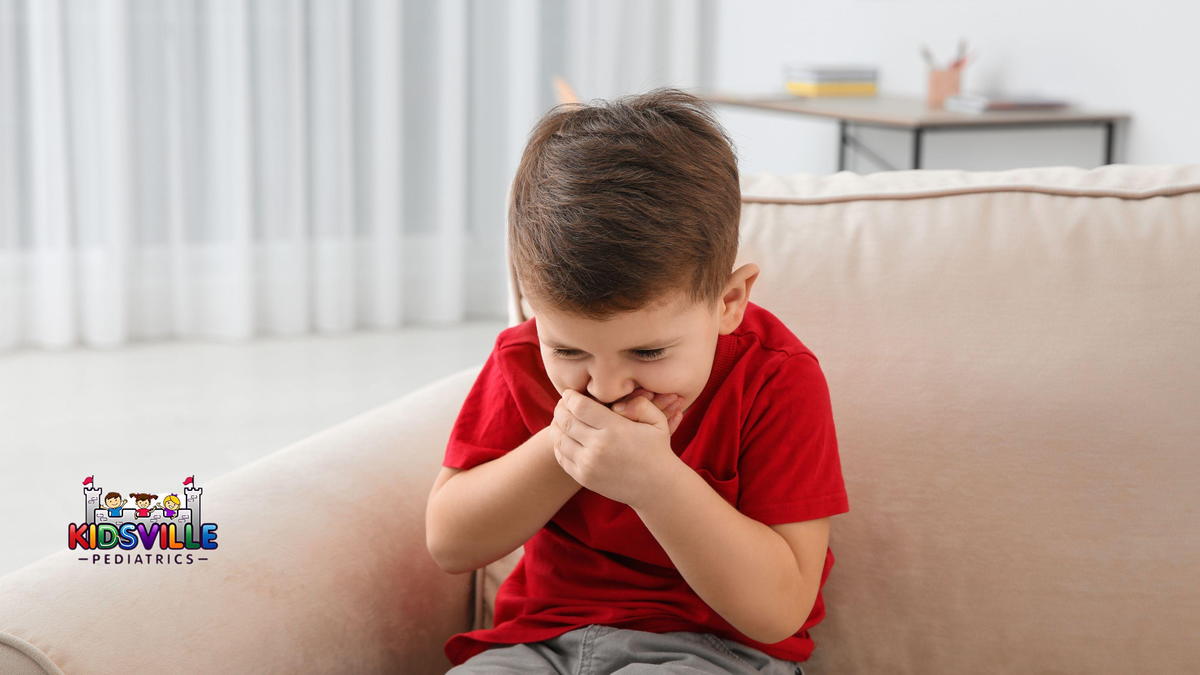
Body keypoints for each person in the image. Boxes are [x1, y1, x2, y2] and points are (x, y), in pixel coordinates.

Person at [425, 88, 849, 675]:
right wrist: (564, 446)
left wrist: (653, 481)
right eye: (569, 349)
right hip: (536, 646)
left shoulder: (777, 378)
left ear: (728, 303)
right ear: (532, 309)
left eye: (648, 350)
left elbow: (779, 610)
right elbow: (452, 543)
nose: (606, 387)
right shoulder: (520, 360)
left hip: (712, 655)